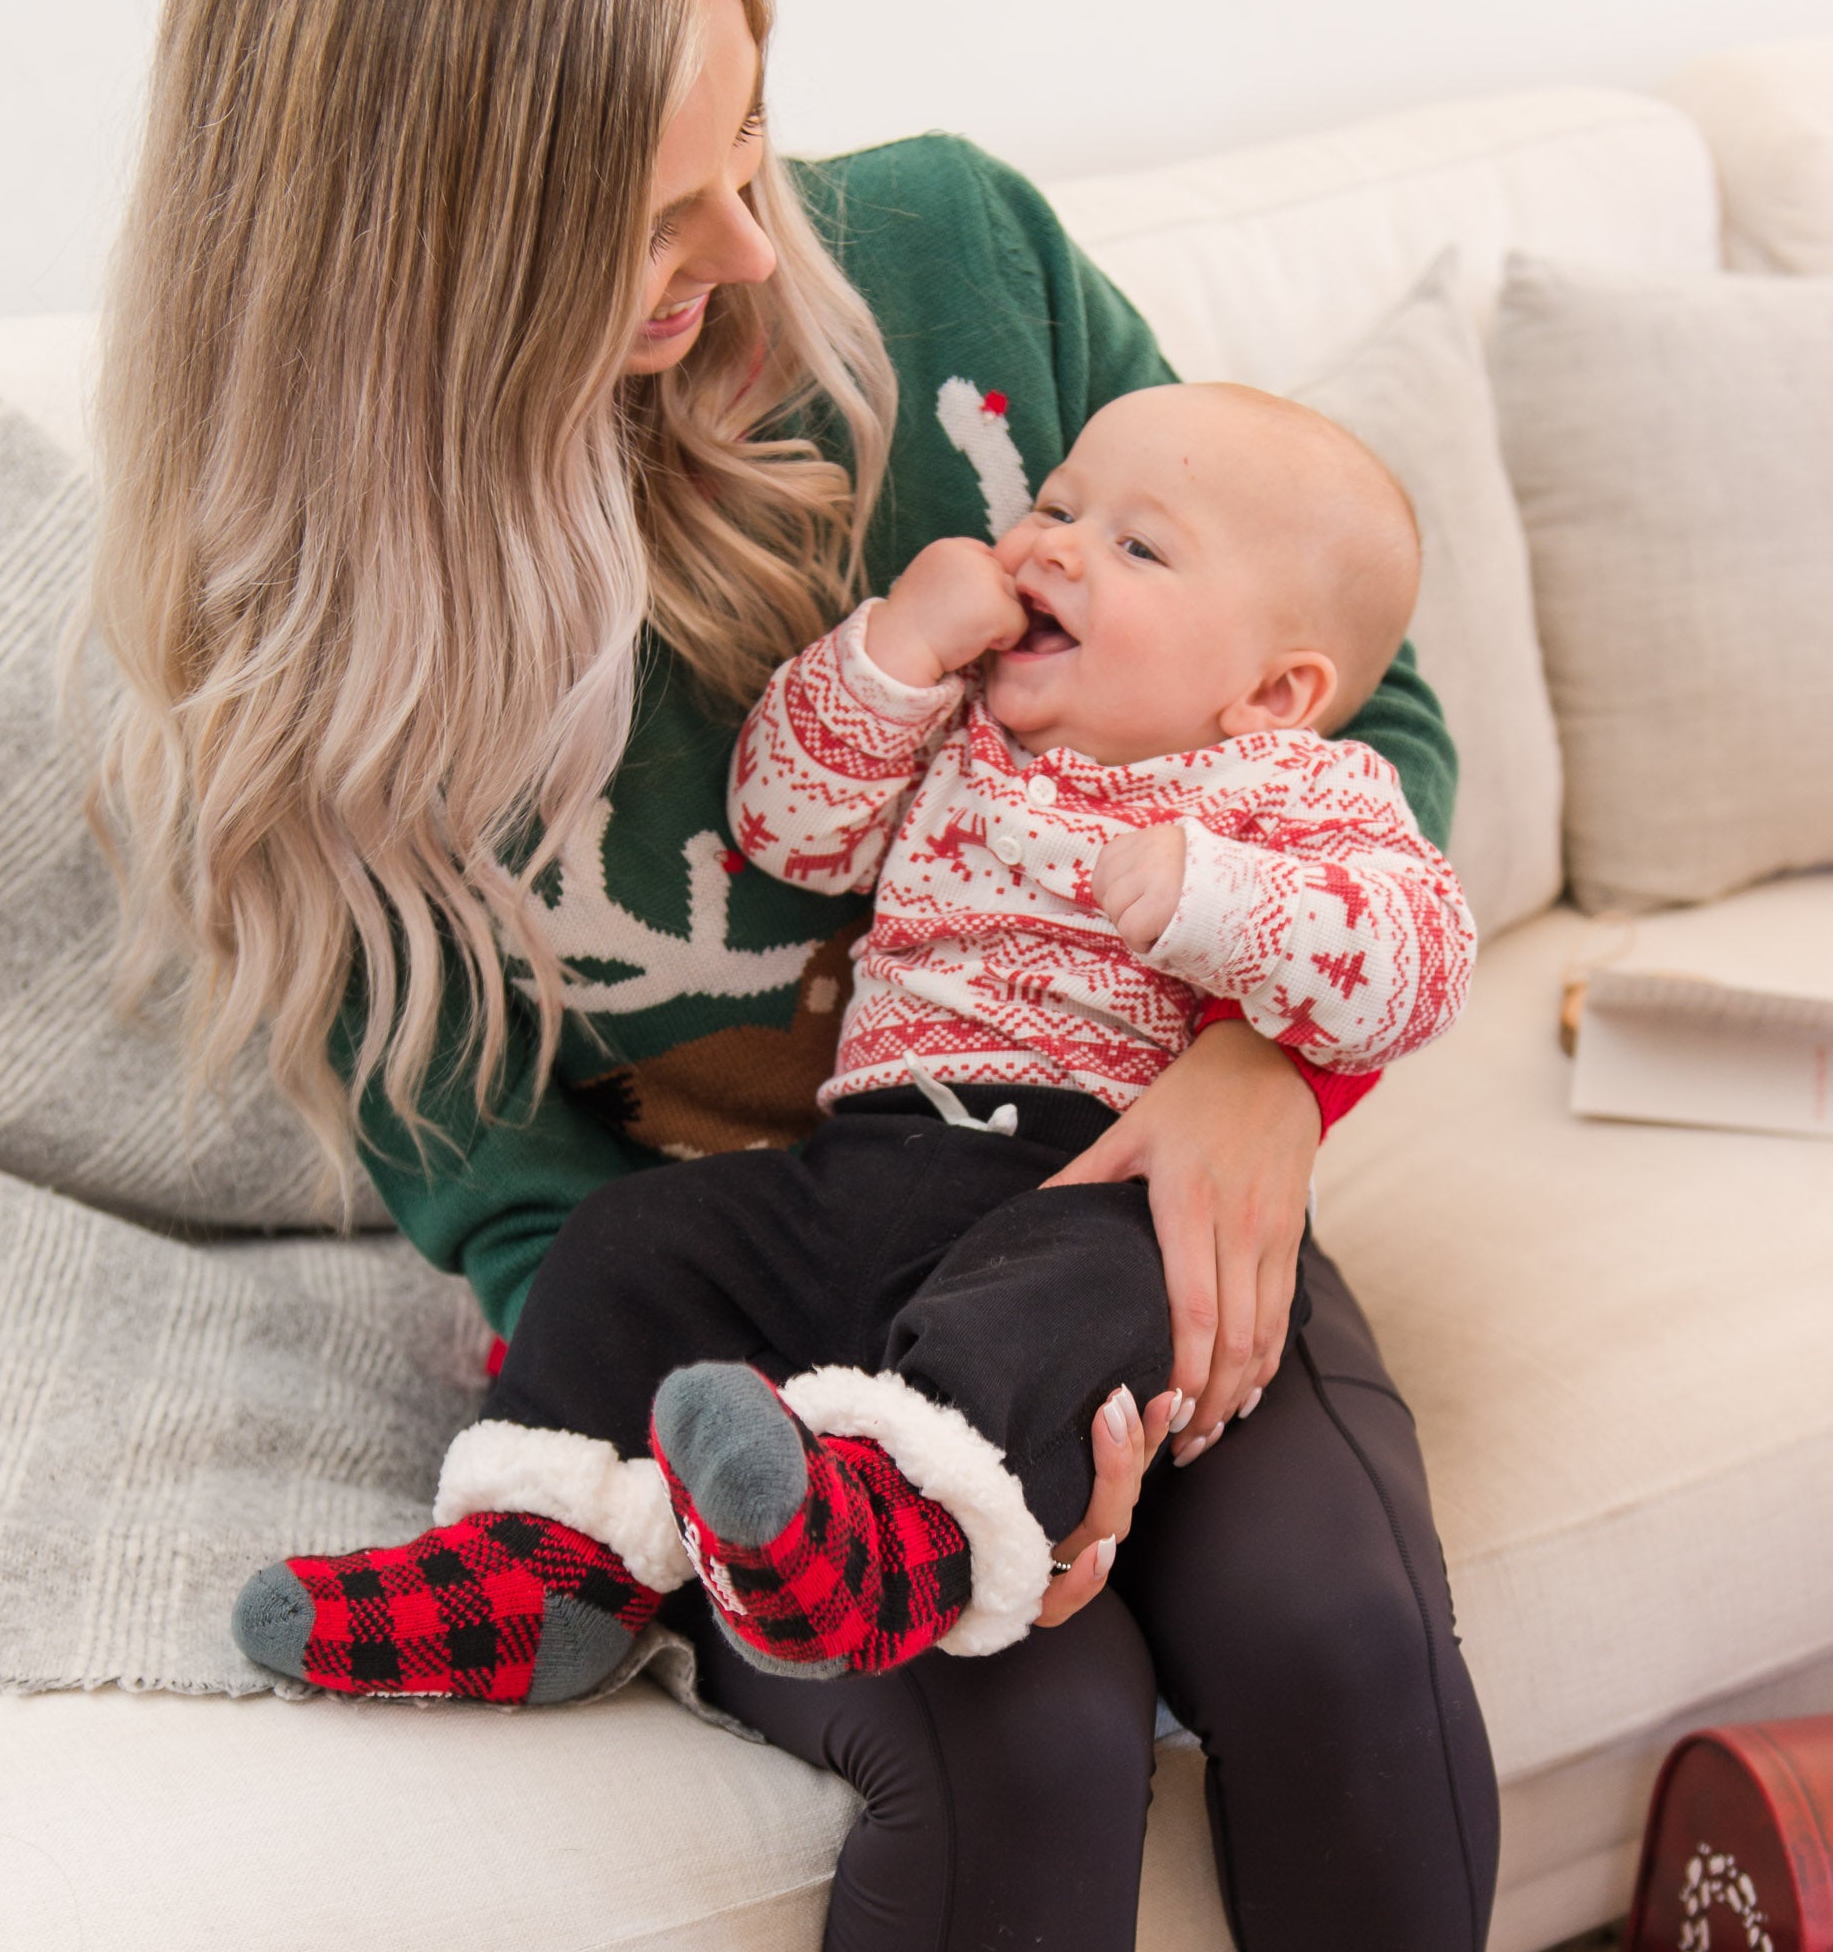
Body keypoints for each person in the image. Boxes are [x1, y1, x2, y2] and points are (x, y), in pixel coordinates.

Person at [90, 0, 1541, 1952]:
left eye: (742, 157)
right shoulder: (292, 634)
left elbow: (1360, 710)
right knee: (1009, 1749)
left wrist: (1253, 1092)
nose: (736, 263)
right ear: (404, 259)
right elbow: (485, 1162)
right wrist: (631, 1389)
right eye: (639, 216)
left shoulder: (971, 279)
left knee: (1317, 1619)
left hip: (1126, 1162)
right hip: (788, 1319)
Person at [233, 378, 1473, 1696]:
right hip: (864, 1156)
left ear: (1274, 692)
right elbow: (789, 824)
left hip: (1078, 1181)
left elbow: (1418, 962)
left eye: (1136, 545)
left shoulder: (1290, 787)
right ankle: (539, 1569)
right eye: (1056, 505)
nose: (1052, 544)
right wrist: (892, 652)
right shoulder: (959, 719)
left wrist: (1224, 904)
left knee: (1087, 1302)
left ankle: (876, 1543)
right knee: (631, 1245)